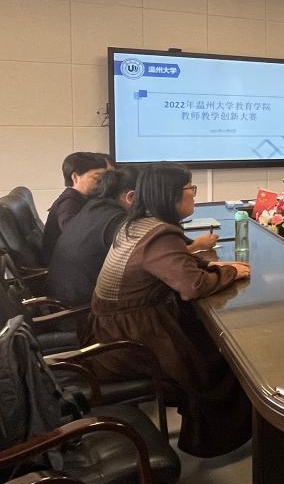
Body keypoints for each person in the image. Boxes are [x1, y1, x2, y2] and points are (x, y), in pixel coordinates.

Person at [88, 163, 252, 458]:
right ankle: (209, 440)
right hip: (130, 340)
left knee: (204, 337)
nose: (195, 196)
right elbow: (192, 286)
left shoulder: (137, 223)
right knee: (218, 359)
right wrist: (229, 273)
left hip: (113, 326)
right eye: (191, 189)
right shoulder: (160, 234)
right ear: (171, 194)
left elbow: (176, 264)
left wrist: (211, 266)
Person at [45, 166, 140, 307]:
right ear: (131, 197)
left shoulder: (93, 207)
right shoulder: (116, 220)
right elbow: (142, 261)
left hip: (62, 298)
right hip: (79, 309)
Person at [41, 152, 111, 264]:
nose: (102, 183)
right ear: (75, 177)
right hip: (63, 263)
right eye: (97, 178)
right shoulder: (68, 202)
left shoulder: (83, 197)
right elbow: (75, 234)